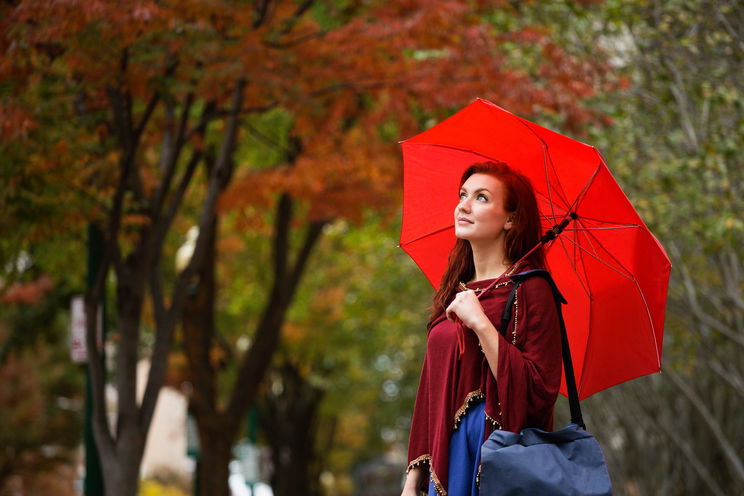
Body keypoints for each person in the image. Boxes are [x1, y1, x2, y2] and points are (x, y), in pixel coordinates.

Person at [401, 161, 563, 496]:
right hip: (442, 457)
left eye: (482, 198)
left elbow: (540, 394)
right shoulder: (454, 292)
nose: (463, 205)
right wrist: (413, 480)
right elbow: (430, 391)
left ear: (511, 218)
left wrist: (480, 323)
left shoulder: (532, 289)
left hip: (493, 452)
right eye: (463, 195)